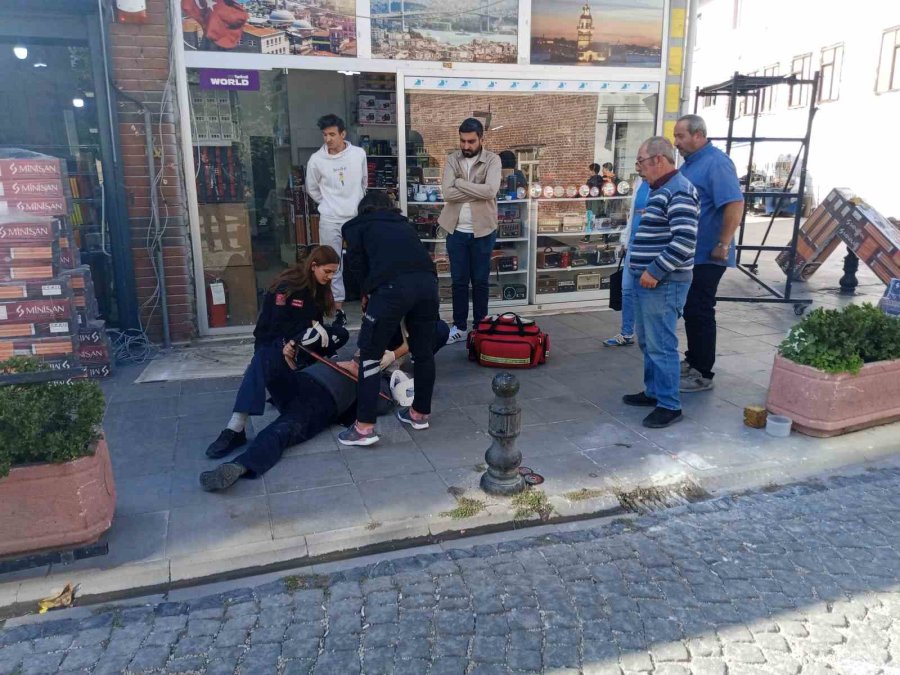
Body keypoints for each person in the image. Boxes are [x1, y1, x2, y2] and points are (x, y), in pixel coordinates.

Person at [198, 323, 451, 492]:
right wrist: (290, 358)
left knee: (281, 430)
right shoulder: (342, 359)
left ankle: (240, 465)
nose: (362, 353)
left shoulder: (379, 384)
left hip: (320, 402)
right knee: (265, 355)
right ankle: (235, 427)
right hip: (298, 384)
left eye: (368, 354)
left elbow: (378, 405)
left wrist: (380, 372)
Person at [205, 246, 349, 459]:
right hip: (275, 346)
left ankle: (242, 425)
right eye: (327, 271)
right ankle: (235, 428)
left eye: (333, 273)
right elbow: (271, 327)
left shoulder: (317, 290)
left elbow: (313, 329)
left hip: (300, 354)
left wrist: (306, 340)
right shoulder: (287, 286)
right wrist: (289, 342)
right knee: (263, 358)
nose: (330, 277)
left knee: (341, 333)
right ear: (313, 266)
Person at [339, 191, 440, 447]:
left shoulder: (355, 227)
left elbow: (356, 266)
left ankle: (363, 428)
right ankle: (419, 414)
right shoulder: (404, 224)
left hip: (391, 290)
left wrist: (366, 292)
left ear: (363, 210)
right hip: (428, 285)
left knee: (370, 356)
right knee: (423, 351)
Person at [624, 137, 699, 429]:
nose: (639, 169)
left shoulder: (678, 191)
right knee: (648, 341)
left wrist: (654, 270)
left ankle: (669, 404)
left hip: (664, 283)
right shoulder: (662, 189)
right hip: (648, 282)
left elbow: (685, 240)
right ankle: (654, 391)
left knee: (662, 344)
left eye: (641, 162)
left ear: (658, 159)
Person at [673, 114, 744, 393]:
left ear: (699, 135)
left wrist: (723, 244)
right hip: (691, 254)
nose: (676, 142)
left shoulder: (717, 162)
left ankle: (703, 372)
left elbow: (735, 204)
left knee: (701, 310)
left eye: (681, 136)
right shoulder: (692, 164)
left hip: (709, 254)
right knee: (692, 309)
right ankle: (694, 360)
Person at [438, 118, 502, 345]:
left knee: (480, 281)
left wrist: (460, 183)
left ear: (481, 139)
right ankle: (459, 326)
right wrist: (477, 190)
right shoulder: (452, 159)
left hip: (483, 230)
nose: (466, 146)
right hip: (456, 230)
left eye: (471, 141)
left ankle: (480, 326)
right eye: (463, 141)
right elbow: (447, 193)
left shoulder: (493, 160)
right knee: (458, 281)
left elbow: (491, 190)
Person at [305, 113, 368, 328]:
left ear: (343, 134)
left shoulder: (358, 154)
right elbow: (312, 189)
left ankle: (368, 303)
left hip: (355, 217)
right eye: (325, 135)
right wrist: (329, 204)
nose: (328, 139)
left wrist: (354, 204)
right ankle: (337, 309)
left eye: (332, 134)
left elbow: (363, 183)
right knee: (332, 264)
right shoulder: (316, 160)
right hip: (330, 218)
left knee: (363, 260)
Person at [604, 178, 650, 347]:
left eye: (640, 162)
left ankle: (647, 333)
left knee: (644, 293)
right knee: (627, 290)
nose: (638, 166)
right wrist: (624, 240)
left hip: (648, 248)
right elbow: (632, 214)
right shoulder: (639, 183)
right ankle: (627, 332)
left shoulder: (662, 184)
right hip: (632, 245)